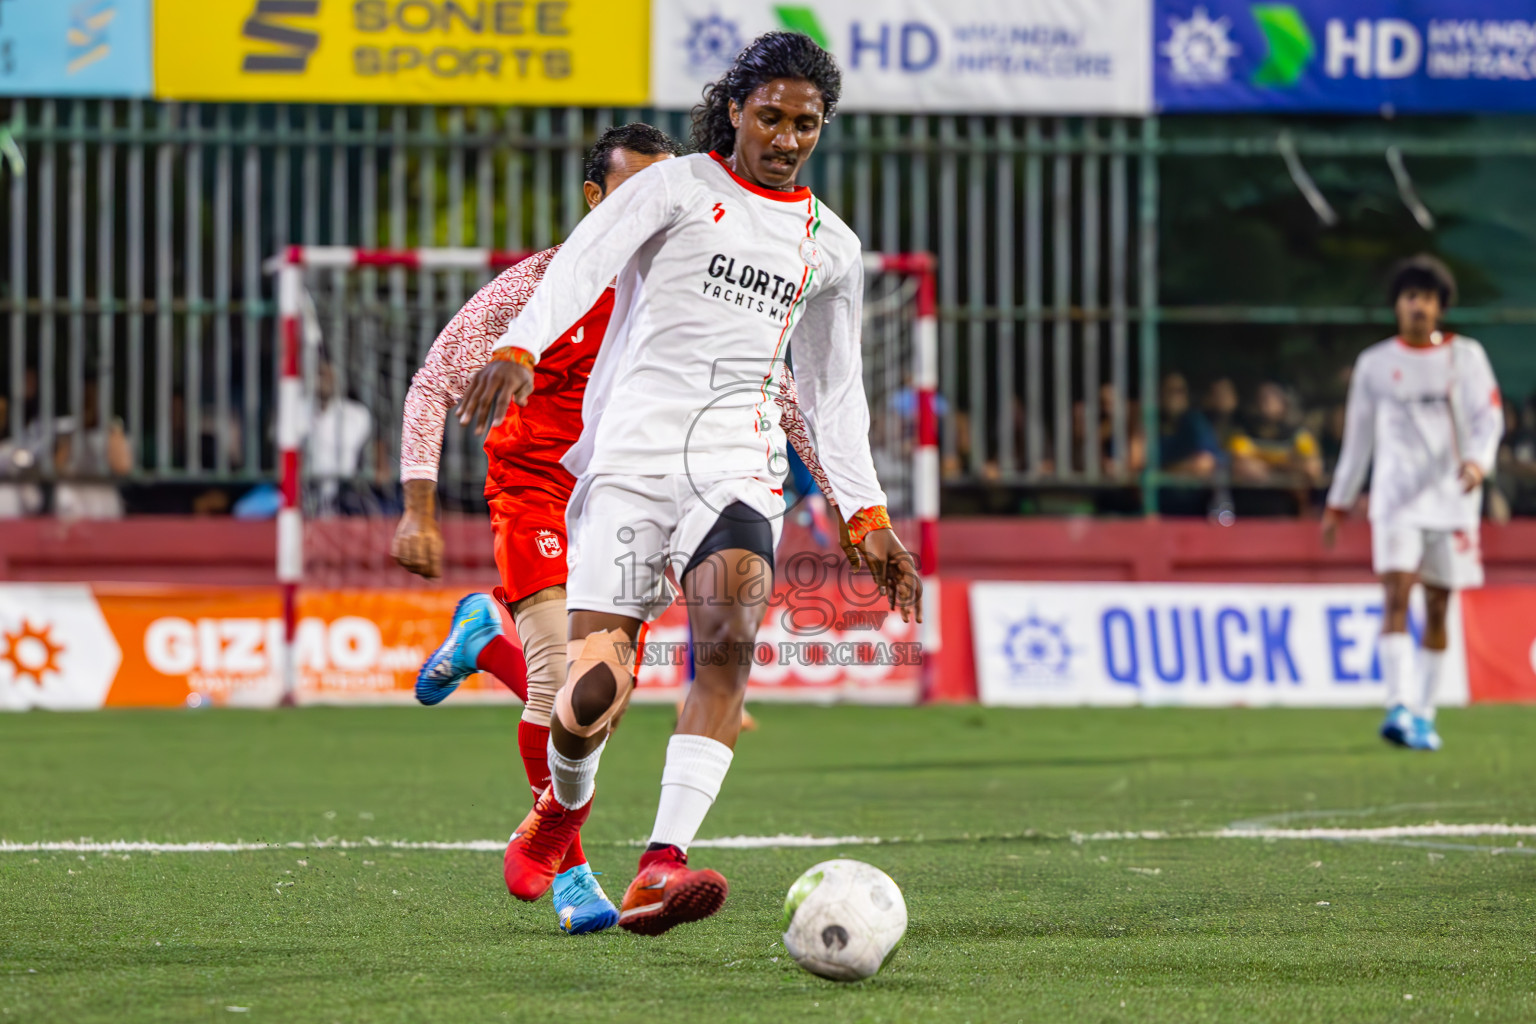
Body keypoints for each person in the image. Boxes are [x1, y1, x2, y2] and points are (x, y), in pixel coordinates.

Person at [461, 32, 921, 937]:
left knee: (730, 641)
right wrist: (522, 344)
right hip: (631, 460)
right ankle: (562, 806)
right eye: (771, 117)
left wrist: (865, 512)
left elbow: (834, 389)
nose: (787, 138)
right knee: (590, 693)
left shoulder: (830, 246)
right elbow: (582, 261)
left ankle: (660, 867)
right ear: (736, 110)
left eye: (807, 124)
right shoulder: (677, 189)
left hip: (738, 465)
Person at [391, 122, 856, 935]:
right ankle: (570, 872)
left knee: (599, 699)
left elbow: (785, 397)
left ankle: (479, 642)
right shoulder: (536, 283)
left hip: (638, 491)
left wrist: (854, 503)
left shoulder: (699, 280)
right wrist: (418, 507)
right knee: (555, 689)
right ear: (597, 201)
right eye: (636, 194)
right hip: (537, 491)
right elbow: (435, 382)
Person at [1322, 255, 1503, 752]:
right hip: (1395, 500)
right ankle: (1397, 705)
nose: (1417, 306)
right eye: (1409, 297)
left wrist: (1477, 463)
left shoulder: (1465, 358)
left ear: (1441, 306)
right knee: (1397, 593)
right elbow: (1357, 439)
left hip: (1453, 501)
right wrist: (1339, 501)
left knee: (1440, 606)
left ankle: (1424, 713)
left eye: (1426, 297)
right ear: (1397, 306)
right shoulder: (1376, 365)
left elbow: (1489, 419)